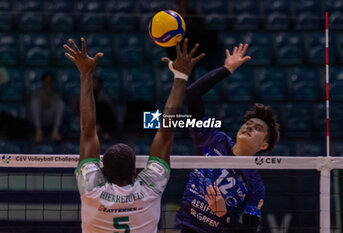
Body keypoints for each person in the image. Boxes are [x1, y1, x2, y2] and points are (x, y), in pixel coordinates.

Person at [63, 37, 204, 233]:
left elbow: (87, 130)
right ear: (135, 173)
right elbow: (165, 134)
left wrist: (85, 75)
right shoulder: (149, 190)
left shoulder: (92, 189)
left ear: (102, 172)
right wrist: (180, 76)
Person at [175, 43, 280, 233]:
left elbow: (247, 232)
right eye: (248, 123)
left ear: (264, 144)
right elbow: (192, 93)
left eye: (257, 128)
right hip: (186, 228)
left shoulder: (255, 186)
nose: (249, 127)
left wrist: (223, 215)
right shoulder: (213, 138)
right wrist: (227, 69)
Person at [30, 72, 65, 142]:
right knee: (35, 103)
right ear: (43, 82)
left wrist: (49, 95)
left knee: (60, 104)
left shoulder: (55, 95)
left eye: (49, 81)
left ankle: (55, 132)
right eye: (46, 81)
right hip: (39, 119)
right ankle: (38, 132)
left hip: (50, 119)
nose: (48, 83)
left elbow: (55, 106)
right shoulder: (37, 93)